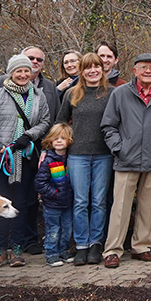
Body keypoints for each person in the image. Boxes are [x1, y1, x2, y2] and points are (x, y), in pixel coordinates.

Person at [0, 45, 60, 258]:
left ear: (31, 73)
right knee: (0, 202)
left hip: (26, 156)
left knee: (22, 202)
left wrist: (28, 136)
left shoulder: (39, 96)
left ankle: (18, 248)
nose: (23, 75)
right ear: (11, 72)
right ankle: (1, 248)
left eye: (26, 71)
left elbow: (45, 121)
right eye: (18, 71)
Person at [100, 54, 151, 268]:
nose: (148, 71)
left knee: (148, 205)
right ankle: (113, 250)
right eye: (144, 67)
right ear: (134, 71)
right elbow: (108, 126)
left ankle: (141, 247)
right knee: (120, 207)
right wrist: (118, 148)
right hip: (127, 158)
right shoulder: (121, 93)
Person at [55, 52, 114, 266]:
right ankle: (81, 245)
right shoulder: (72, 93)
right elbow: (61, 122)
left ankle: (96, 244)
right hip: (78, 154)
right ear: (82, 71)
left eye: (96, 66)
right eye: (88, 67)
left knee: (99, 201)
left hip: (104, 154)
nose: (92, 71)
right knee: (80, 201)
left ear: (102, 68)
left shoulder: (112, 93)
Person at [34, 123, 75, 267]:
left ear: (69, 140)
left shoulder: (71, 160)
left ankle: (63, 250)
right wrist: (54, 194)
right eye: (56, 138)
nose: (59, 141)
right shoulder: (48, 160)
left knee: (67, 229)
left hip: (68, 203)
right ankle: (51, 253)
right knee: (53, 229)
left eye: (63, 138)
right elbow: (40, 183)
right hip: (52, 204)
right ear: (50, 140)